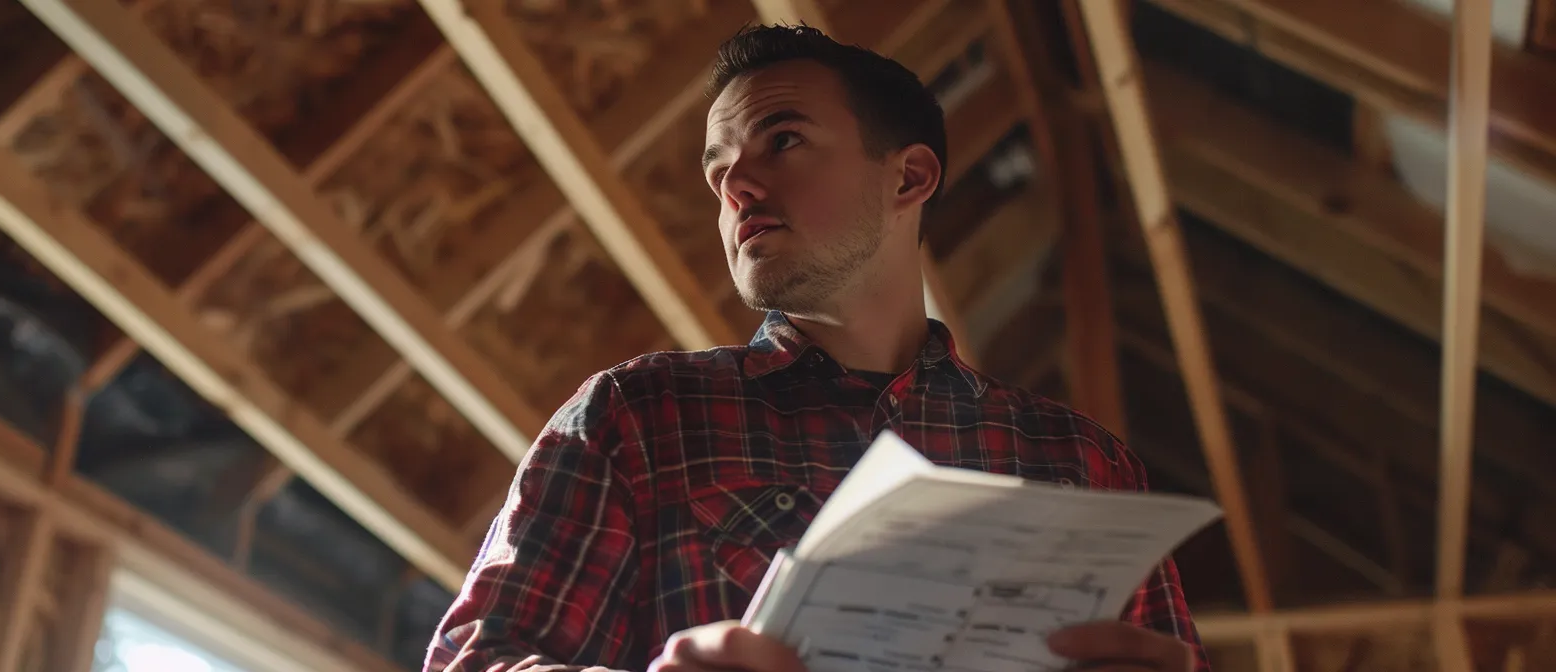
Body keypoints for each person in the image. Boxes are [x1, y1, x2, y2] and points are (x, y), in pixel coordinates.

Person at [424, 24, 1208, 672]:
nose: (736, 188)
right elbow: (475, 660)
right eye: (718, 169)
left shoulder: (1080, 465)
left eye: (783, 140)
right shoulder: (637, 419)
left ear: (909, 178)